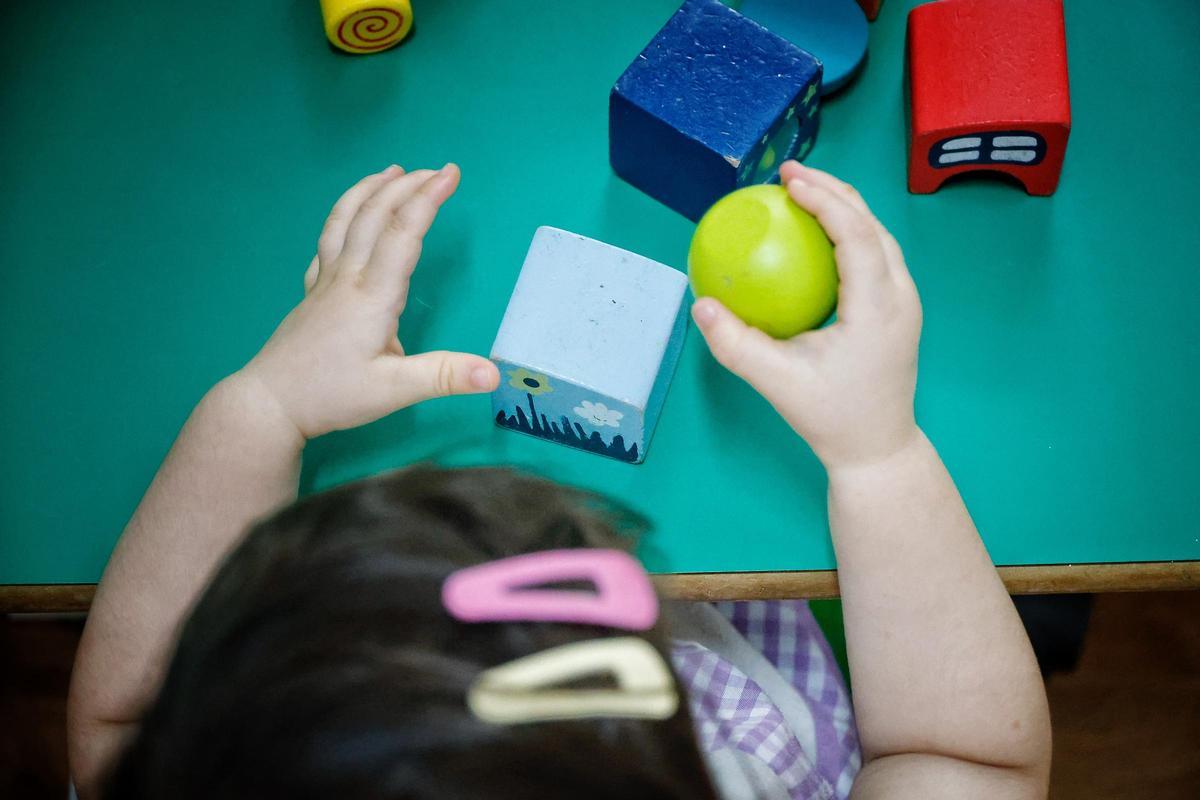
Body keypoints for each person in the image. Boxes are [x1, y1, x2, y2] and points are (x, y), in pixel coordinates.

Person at [67, 160, 1051, 799]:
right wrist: (881, 456)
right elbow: (973, 762)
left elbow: (114, 721)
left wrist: (261, 407)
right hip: (823, 667)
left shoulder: (194, 767)